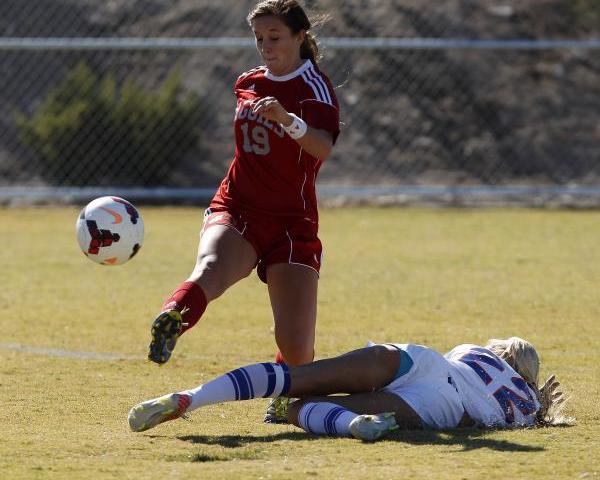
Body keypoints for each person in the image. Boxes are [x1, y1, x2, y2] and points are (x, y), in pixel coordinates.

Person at [147, 0, 340, 420]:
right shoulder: (247, 82)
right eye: (259, 39)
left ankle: (284, 398)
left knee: (297, 348)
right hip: (238, 206)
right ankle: (171, 319)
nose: (265, 46)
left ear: (299, 36)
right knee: (209, 270)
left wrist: (287, 119)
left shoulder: (315, 87)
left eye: (274, 37)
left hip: (292, 223)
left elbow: (322, 147)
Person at [129, 337, 569, 441]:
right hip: (448, 405)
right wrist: (542, 412)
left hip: (423, 359)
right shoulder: (528, 404)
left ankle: (195, 396)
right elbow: (518, 417)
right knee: (301, 407)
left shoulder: (475, 349)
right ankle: (352, 423)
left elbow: (467, 361)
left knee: (301, 377)